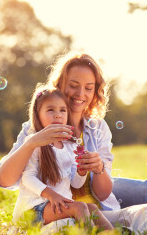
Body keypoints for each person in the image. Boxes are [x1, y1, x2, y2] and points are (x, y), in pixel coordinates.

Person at [0, 52, 147, 234]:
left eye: (88, 88)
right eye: (73, 85)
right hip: (55, 216)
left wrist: (98, 168)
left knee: (146, 211)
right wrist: (32, 142)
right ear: (59, 85)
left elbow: (101, 193)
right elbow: (5, 180)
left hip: (95, 214)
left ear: (95, 91)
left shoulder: (98, 128)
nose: (80, 94)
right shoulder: (37, 128)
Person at [14, 86, 112, 230]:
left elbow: (76, 183)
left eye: (62, 110)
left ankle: (114, 233)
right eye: (50, 110)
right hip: (33, 209)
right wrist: (52, 195)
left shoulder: (69, 146)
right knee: (79, 208)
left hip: (58, 206)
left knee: (91, 208)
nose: (58, 115)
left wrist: (81, 171)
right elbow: (27, 178)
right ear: (37, 114)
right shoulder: (34, 142)